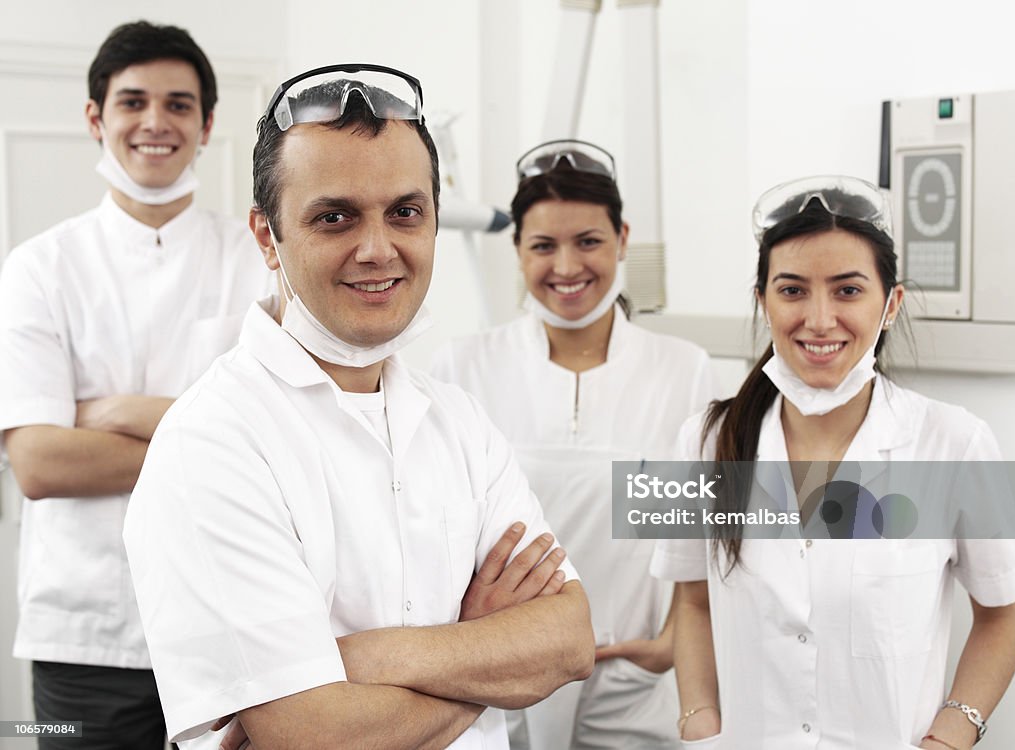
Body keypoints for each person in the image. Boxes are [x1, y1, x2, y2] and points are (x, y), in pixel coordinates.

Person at [122, 64, 594, 750]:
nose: (378, 249)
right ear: (266, 236)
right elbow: (314, 735)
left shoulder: (459, 423)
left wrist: (363, 660)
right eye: (334, 217)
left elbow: (570, 639)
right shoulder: (213, 443)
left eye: (405, 211)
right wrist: (482, 653)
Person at [650, 175, 1015, 749]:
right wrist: (699, 723)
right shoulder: (702, 441)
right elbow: (693, 601)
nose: (819, 320)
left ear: (890, 303)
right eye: (793, 290)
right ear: (763, 301)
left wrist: (949, 738)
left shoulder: (957, 443)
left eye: (848, 290)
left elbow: (1004, 614)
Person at [0, 21, 271, 750]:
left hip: (232, 627)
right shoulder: (36, 269)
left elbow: (282, 436)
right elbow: (39, 464)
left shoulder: (256, 260)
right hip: (81, 638)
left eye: (179, 104)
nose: (156, 122)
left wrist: (113, 414)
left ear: (208, 123)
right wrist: (213, 440)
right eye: (133, 102)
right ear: (97, 117)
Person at [432, 140, 714, 749]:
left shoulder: (684, 370)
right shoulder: (462, 367)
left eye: (588, 241)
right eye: (542, 246)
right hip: (501, 674)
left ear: (622, 238)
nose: (566, 266)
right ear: (516, 251)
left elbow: (709, 528)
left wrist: (670, 641)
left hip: (632, 677)